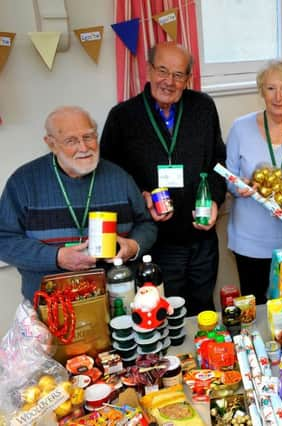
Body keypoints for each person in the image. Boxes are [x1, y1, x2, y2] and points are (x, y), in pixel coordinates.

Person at [100, 42, 226, 315]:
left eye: (179, 75)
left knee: (204, 309)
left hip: (202, 237)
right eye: (162, 71)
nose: (169, 81)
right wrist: (141, 196)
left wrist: (215, 200)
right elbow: (109, 179)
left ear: (188, 79)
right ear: (148, 70)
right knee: (163, 313)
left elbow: (218, 163)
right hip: (156, 243)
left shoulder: (203, 107)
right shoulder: (123, 116)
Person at [0, 106, 157, 300]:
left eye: (89, 137)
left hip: (118, 297)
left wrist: (134, 246)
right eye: (71, 141)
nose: (83, 148)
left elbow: (146, 224)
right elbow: (4, 240)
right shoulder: (23, 182)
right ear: (51, 143)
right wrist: (56, 258)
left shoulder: (120, 177)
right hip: (50, 304)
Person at [225, 60, 282, 304]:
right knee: (255, 311)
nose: (278, 97)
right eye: (270, 88)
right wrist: (239, 186)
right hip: (249, 242)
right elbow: (228, 177)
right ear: (261, 91)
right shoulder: (240, 128)